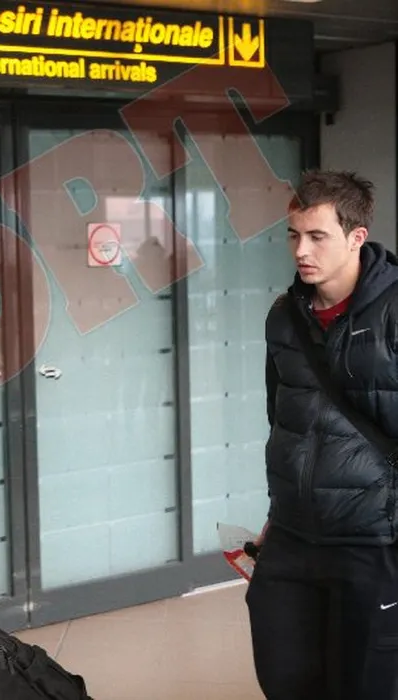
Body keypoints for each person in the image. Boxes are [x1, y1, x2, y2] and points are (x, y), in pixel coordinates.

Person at [250, 169, 398, 700]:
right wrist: (276, 513)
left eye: (317, 236)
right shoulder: (284, 315)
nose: (301, 251)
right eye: (293, 235)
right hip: (292, 535)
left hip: (373, 540)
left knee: (365, 686)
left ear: (357, 237)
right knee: (285, 678)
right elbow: (282, 419)